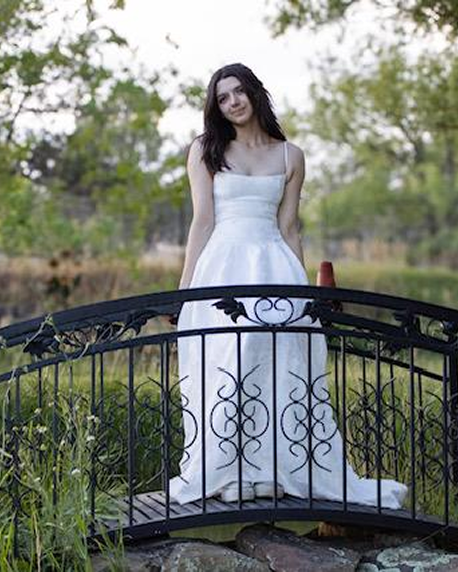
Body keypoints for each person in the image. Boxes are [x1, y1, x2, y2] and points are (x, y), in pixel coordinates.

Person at [170, 63, 407, 509]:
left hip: (274, 266)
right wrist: (184, 293)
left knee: (276, 365)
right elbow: (202, 222)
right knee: (229, 365)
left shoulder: (290, 155)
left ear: (256, 93)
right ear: (216, 107)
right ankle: (229, 473)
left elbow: (290, 226)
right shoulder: (205, 150)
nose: (233, 102)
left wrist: (304, 291)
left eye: (239, 92)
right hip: (223, 267)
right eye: (223, 97)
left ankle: (272, 470)